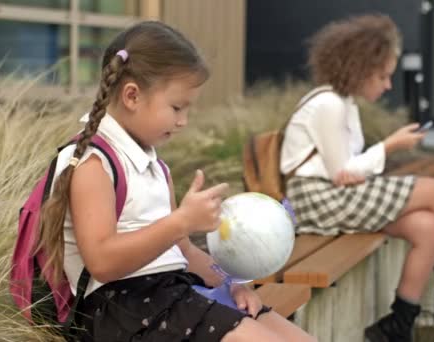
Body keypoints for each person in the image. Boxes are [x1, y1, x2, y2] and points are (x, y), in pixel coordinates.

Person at [36, 21, 316, 342]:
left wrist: (231, 284)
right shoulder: (93, 163)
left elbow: (183, 250)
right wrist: (181, 221)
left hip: (168, 295)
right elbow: (102, 261)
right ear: (131, 96)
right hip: (120, 310)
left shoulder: (153, 163)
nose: (183, 121)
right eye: (176, 107)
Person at [280, 14, 434, 342]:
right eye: (383, 76)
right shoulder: (328, 104)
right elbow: (342, 174)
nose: (388, 85)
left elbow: (347, 170)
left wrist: (385, 151)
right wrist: (390, 146)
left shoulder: (342, 103)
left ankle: (399, 324)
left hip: (331, 197)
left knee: (429, 228)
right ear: (360, 69)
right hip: (316, 200)